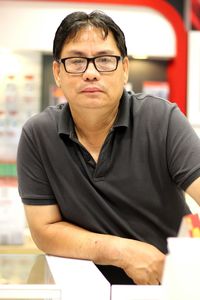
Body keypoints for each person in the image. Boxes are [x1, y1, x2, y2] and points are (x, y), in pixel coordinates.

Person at [17, 10, 200, 285]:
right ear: (57, 72)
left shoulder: (162, 120)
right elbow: (45, 230)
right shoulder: (38, 134)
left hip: (164, 287)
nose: (91, 73)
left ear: (124, 68)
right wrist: (125, 252)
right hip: (82, 288)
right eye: (77, 61)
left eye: (104, 60)